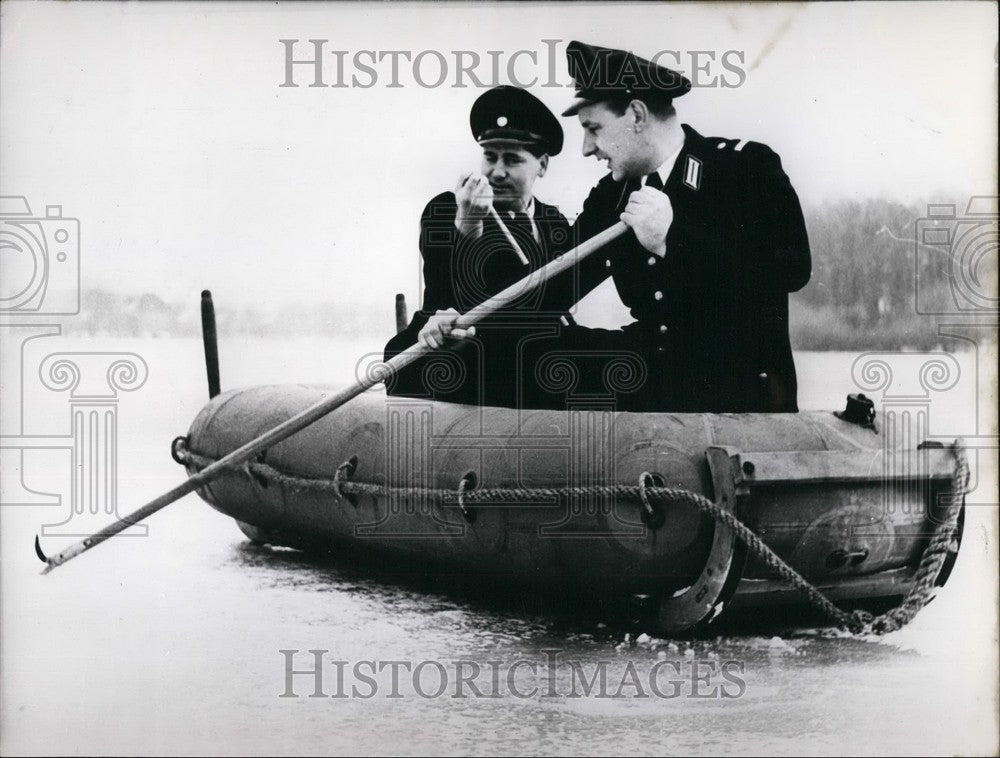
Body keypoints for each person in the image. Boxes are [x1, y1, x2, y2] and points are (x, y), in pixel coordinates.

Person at [552, 40, 812, 412]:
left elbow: (792, 270)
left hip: (738, 400)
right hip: (653, 401)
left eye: (593, 129)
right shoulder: (612, 196)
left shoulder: (745, 170)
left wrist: (672, 241)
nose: (586, 148)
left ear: (637, 116)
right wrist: (459, 323)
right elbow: (553, 284)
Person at [383, 85, 574, 408]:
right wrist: (469, 223)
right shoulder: (446, 208)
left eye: (511, 160)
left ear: (542, 165)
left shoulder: (554, 224)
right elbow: (448, 296)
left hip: (525, 356)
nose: (497, 172)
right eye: (490, 157)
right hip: (450, 344)